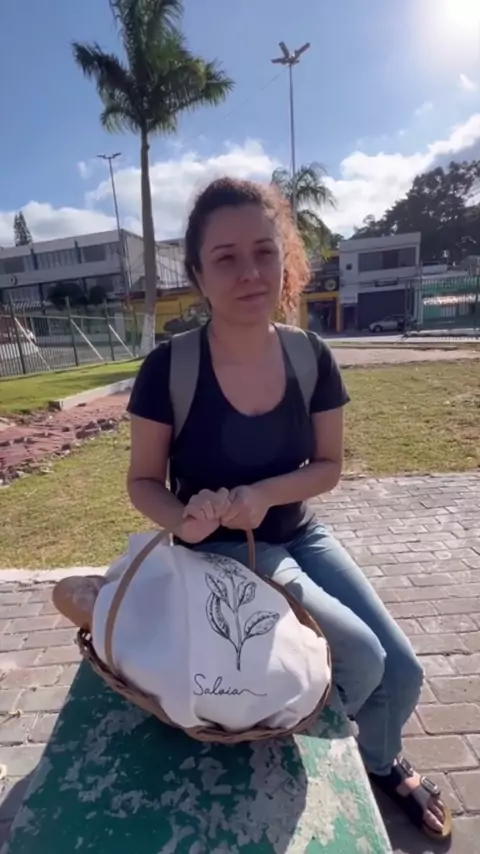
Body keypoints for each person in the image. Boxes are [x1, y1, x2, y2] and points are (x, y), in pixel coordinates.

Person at [126, 177, 450, 841]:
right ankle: (297, 745)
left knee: (403, 668)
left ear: (285, 260)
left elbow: (327, 466)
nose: (249, 272)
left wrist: (263, 495)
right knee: (362, 659)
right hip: (221, 552)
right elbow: (142, 481)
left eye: (264, 252)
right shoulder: (168, 369)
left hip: (299, 534)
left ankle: (377, 758)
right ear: (198, 275)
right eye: (226, 258)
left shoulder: (311, 357)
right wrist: (183, 517)